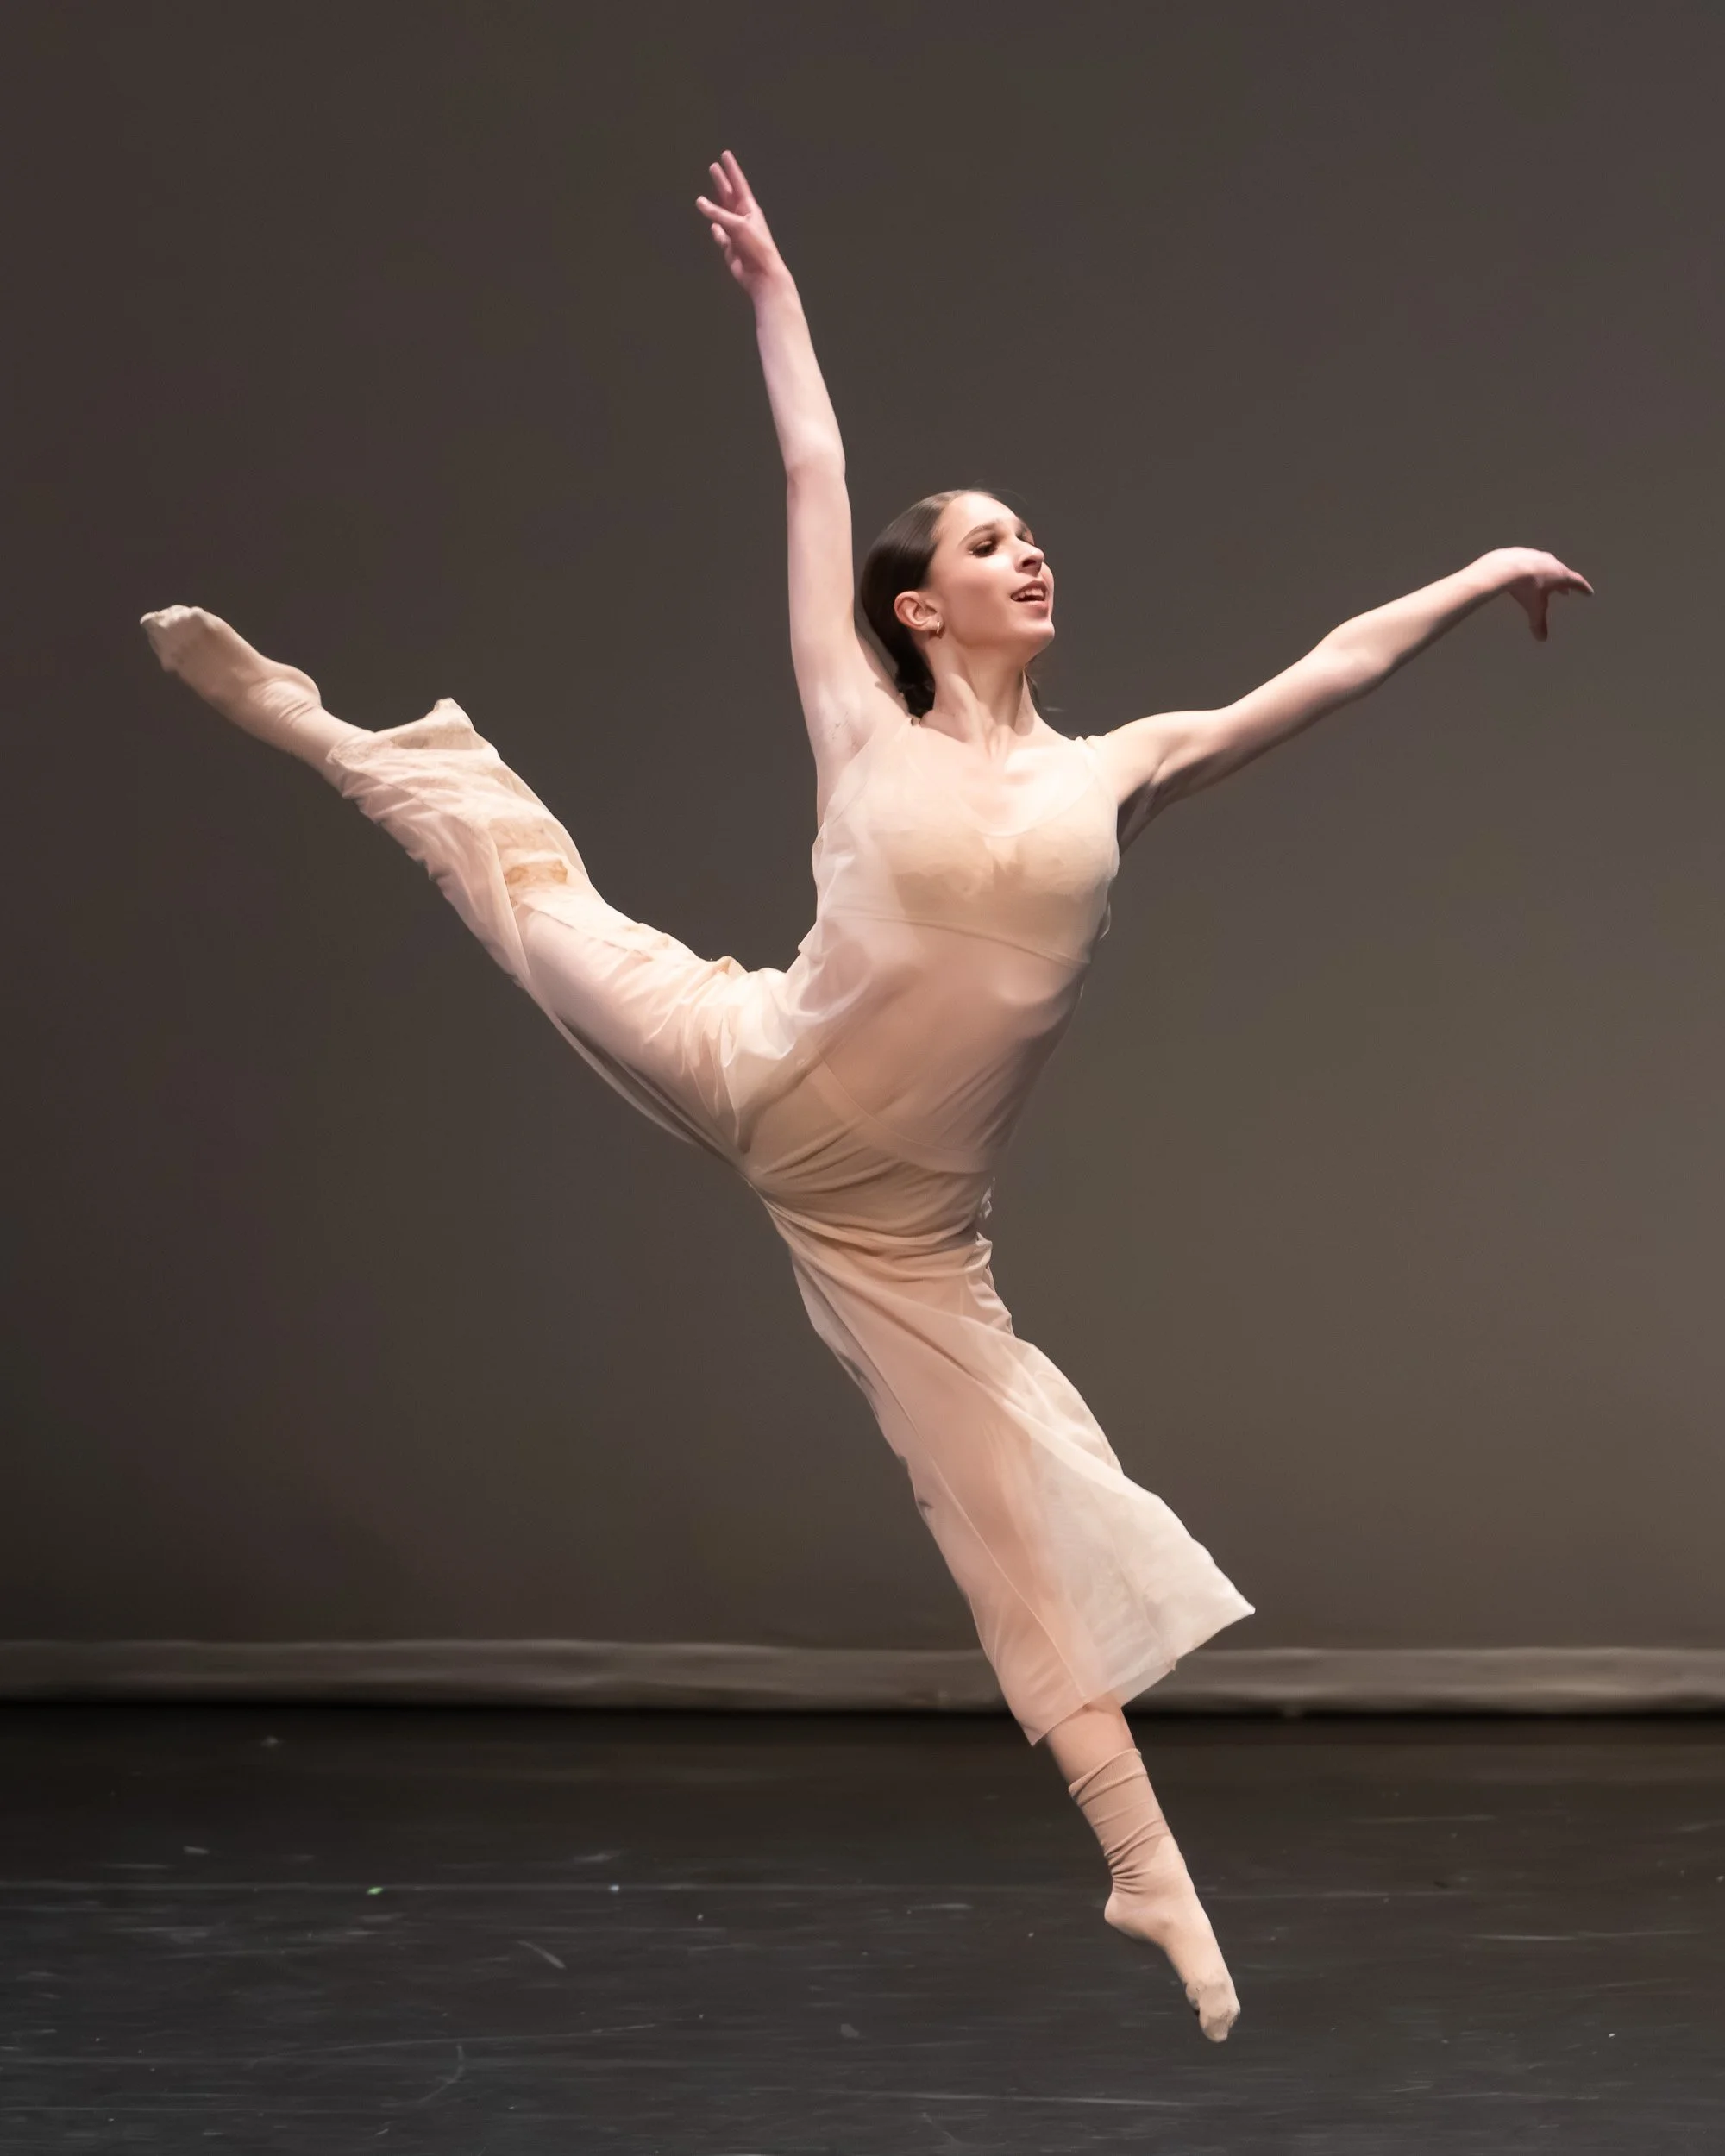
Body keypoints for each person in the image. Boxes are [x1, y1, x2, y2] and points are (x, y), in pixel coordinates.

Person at [141, 151, 1590, 2042]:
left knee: (1016, 1511)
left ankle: (1146, 1868)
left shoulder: (1118, 768)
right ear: (917, 609)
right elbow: (818, 475)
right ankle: (321, 727)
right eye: (992, 543)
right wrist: (773, 294)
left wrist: (1476, 575)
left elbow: (1321, 671)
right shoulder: (852, 713)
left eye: (1030, 536)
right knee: (527, 885)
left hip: (893, 1220)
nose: (1029, 555)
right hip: (752, 1057)